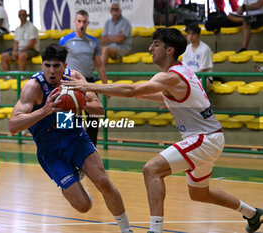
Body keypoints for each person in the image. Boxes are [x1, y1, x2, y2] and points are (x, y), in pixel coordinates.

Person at [62, 28, 263, 233]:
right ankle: (253, 213)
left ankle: (155, 231)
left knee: (151, 170)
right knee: (199, 194)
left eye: (156, 44)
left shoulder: (170, 76)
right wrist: (131, 93)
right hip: (211, 138)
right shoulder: (181, 72)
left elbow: (133, 90)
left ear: (169, 50)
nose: (150, 48)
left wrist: (90, 86)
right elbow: (155, 95)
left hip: (204, 139)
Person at [8, 44, 133, 233]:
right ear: (42, 66)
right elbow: (13, 126)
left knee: (103, 181)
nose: (51, 71)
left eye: (56, 66)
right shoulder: (33, 88)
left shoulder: (74, 78)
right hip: (50, 150)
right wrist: (44, 110)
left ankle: (126, 229)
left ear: (64, 65)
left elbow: (99, 109)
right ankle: (71, 181)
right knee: (84, 206)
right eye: (47, 65)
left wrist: (80, 102)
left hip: (75, 138)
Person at [58, 9, 107, 146]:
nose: (82, 24)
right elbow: (57, 62)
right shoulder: (65, 40)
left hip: (89, 82)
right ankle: (65, 148)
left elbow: (100, 65)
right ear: (75, 22)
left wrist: (105, 86)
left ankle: (91, 149)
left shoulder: (93, 42)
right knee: (69, 118)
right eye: (79, 21)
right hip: (70, 83)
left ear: (87, 23)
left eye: (84, 21)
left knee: (93, 119)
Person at [0, 9, 40, 80]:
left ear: (26, 16)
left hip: (32, 50)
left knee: (22, 55)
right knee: (3, 56)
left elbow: (32, 44)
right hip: (20, 50)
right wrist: (14, 52)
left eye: (24, 15)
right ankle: (9, 77)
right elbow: (16, 42)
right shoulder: (17, 29)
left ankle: (22, 77)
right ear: (18, 16)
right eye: (20, 15)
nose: (22, 17)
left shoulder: (32, 27)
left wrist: (19, 52)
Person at [182, 23, 213, 91]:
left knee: (199, 83)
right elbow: (184, 67)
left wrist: (190, 79)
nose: (190, 36)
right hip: (189, 78)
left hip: (203, 78)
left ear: (198, 34)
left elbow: (203, 69)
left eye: (193, 34)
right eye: (188, 34)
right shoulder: (187, 48)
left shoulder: (205, 49)